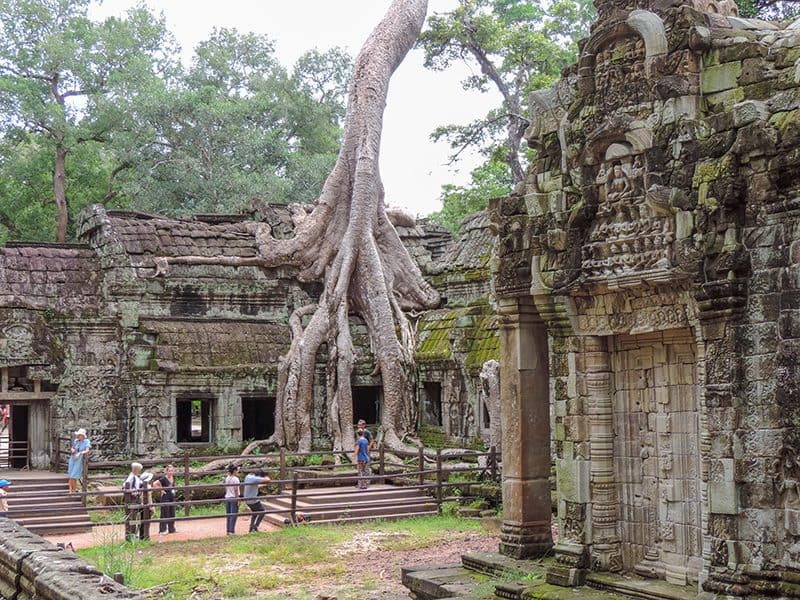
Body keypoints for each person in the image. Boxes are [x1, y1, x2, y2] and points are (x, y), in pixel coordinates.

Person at [122, 462, 147, 541]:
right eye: (139, 469)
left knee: (137, 517)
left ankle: (137, 534)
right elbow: (125, 486)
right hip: (132, 500)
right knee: (132, 517)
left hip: (137, 499)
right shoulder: (131, 477)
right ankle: (131, 535)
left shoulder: (136, 477)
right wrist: (132, 492)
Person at [242, 468, 271, 533]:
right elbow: (268, 480)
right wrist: (266, 477)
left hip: (247, 500)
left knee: (254, 513)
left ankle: (251, 528)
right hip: (252, 500)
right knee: (262, 512)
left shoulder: (248, 477)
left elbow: (254, 485)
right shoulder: (255, 479)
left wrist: (263, 485)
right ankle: (255, 526)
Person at [151, 464, 177, 535]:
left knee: (172, 513)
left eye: (172, 471)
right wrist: (161, 490)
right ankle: (162, 530)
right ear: (166, 471)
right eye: (169, 471)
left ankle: (171, 529)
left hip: (172, 497)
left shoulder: (173, 478)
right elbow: (154, 484)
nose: (170, 472)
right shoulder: (163, 479)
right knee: (164, 513)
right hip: (165, 497)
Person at [67, 428, 91, 494]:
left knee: (73, 475)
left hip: (79, 459)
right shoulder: (76, 441)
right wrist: (72, 450)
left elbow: (87, 450)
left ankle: (74, 490)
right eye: (78, 435)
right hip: (73, 458)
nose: (79, 436)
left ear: (83, 436)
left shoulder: (86, 441)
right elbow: (73, 447)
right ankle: (70, 490)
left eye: (80, 435)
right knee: (70, 474)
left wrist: (80, 453)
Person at [224, 464, 240, 535]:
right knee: (233, 515)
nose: (237, 471)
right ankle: (232, 531)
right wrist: (238, 499)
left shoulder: (227, 478)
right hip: (233, 498)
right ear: (234, 471)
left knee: (228, 515)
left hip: (227, 497)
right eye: (237, 470)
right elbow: (236, 490)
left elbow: (226, 488)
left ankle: (228, 530)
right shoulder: (235, 479)